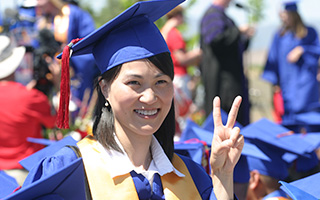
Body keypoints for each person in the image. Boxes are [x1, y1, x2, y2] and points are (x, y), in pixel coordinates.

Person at [18, 0, 244, 199]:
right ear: (104, 88)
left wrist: (223, 177)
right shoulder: (67, 172)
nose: (150, 96)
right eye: (134, 83)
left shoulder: (192, 177)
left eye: (161, 82)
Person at [0, 35, 56, 186]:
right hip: (25, 176)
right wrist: (58, 85)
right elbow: (56, 122)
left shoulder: (28, 95)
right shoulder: (29, 97)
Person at [262, 1, 320, 126]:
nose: (283, 17)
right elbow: (273, 58)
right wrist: (275, 82)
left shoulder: (309, 32)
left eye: (286, 14)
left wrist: (303, 49)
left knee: (308, 118)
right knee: (288, 117)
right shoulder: (280, 35)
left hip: (307, 84)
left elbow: (317, 50)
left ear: (294, 15)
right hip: (287, 83)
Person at [199, 0, 253, 126]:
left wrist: (245, 38)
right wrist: (238, 31)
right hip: (222, 81)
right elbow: (216, 40)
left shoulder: (223, 16)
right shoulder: (212, 15)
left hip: (231, 78)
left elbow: (233, 48)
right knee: (224, 119)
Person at [161, 5, 202, 120]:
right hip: (180, 77)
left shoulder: (165, 31)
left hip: (172, 76)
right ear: (178, 16)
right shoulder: (174, 34)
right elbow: (182, 58)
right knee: (183, 114)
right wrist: (197, 54)